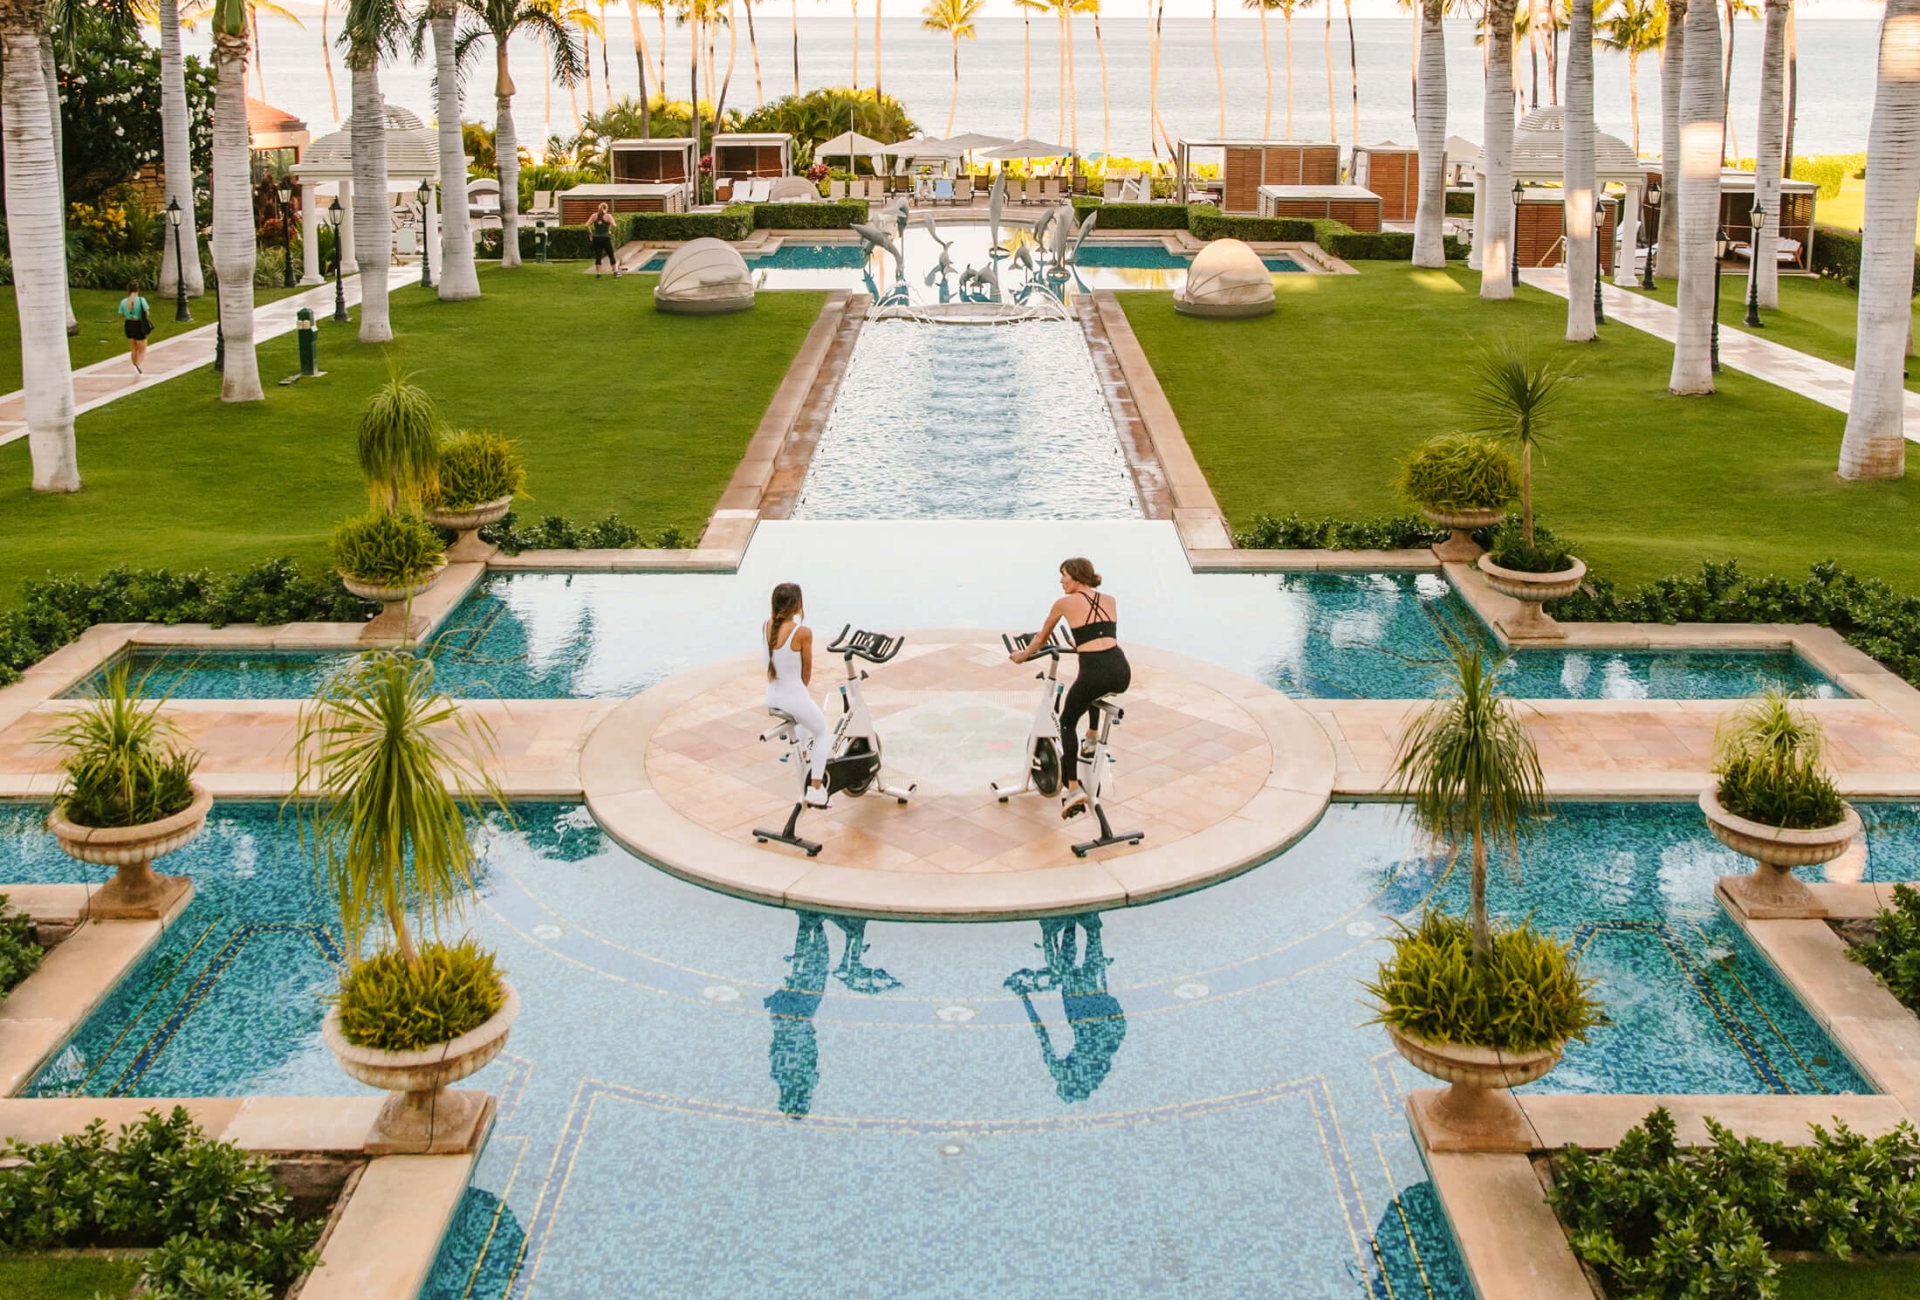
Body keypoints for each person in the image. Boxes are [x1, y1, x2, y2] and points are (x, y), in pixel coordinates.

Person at [1009, 557, 1130, 819]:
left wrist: (1022, 656)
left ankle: (1073, 789)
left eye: (1064, 575)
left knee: (1066, 722)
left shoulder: (1063, 603)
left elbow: (1041, 639)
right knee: (1091, 694)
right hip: (1121, 670)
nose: (1061, 581)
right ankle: (1092, 735)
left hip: (1095, 671)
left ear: (1076, 577)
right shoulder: (1110, 599)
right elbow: (1099, 634)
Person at [764, 582, 831, 807]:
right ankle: (815, 787)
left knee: (804, 715)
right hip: (792, 697)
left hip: (772, 696)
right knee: (821, 731)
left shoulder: (766, 625)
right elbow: (807, 671)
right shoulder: (802, 632)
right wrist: (800, 693)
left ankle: (804, 754)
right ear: (798, 604)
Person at [117, 282, 153, 373]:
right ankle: (137, 364)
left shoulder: (124, 301)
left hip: (129, 325)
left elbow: (121, 314)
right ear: (138, 290)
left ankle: (134, 363)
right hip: (139, 325)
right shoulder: (141, 300)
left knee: (133, 348)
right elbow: (147, 312)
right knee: (142, 349)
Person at [588, 202, 619, 278]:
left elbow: (587, 225)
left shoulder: (594, 216)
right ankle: (615, 272)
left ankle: (599, 274)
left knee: (598, 255)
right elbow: (614, 225)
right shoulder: (608, 216)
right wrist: (611, 232)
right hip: (605, 238)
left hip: (596, 238)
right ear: (606, 208)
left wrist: (591, 233)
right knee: (611, 255)